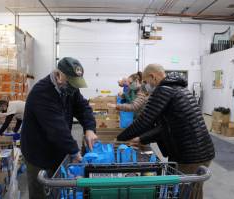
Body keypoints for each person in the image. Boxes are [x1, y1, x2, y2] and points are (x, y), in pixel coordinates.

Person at [117, 64, 215, 199]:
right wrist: (142, 139)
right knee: (191, 190)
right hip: (200, 149)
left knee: (186, 192)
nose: (144, 85)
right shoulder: (178, 88)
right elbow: (165, 128)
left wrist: (119, 138)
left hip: (192, 154)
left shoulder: (163, 90)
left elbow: (145, 120)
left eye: (145, 82)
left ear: (153, 77)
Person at [20, 57, 98, 199]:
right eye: (71, 83)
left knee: (57, 191)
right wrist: (74, 151)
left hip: (57, 150)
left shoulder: (69, 89)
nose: (74, 88)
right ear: (58, 75)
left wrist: (89, 128)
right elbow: (56, 129)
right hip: (38, 153)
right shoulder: (42, 93)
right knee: (41, 192)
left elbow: (83, 107)